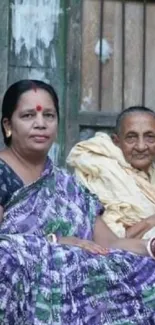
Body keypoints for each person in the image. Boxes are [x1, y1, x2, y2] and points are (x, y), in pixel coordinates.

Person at [0, 83, 155, 325]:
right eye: (29, 115)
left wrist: (151, 246)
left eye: (49, 115)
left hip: (78, 290)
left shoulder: (67, 183)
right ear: (8, 125)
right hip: (21, 284)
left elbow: (110, 243)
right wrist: (54, 243)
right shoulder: (2, 173)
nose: (41, 123)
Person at [67, 106, 155, 239]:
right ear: (116, 141)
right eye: (131, 137)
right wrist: (150, 221)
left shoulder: (151, 173)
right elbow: (110, 241)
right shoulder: (100, 172)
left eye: (150, 137)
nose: (141, 146)